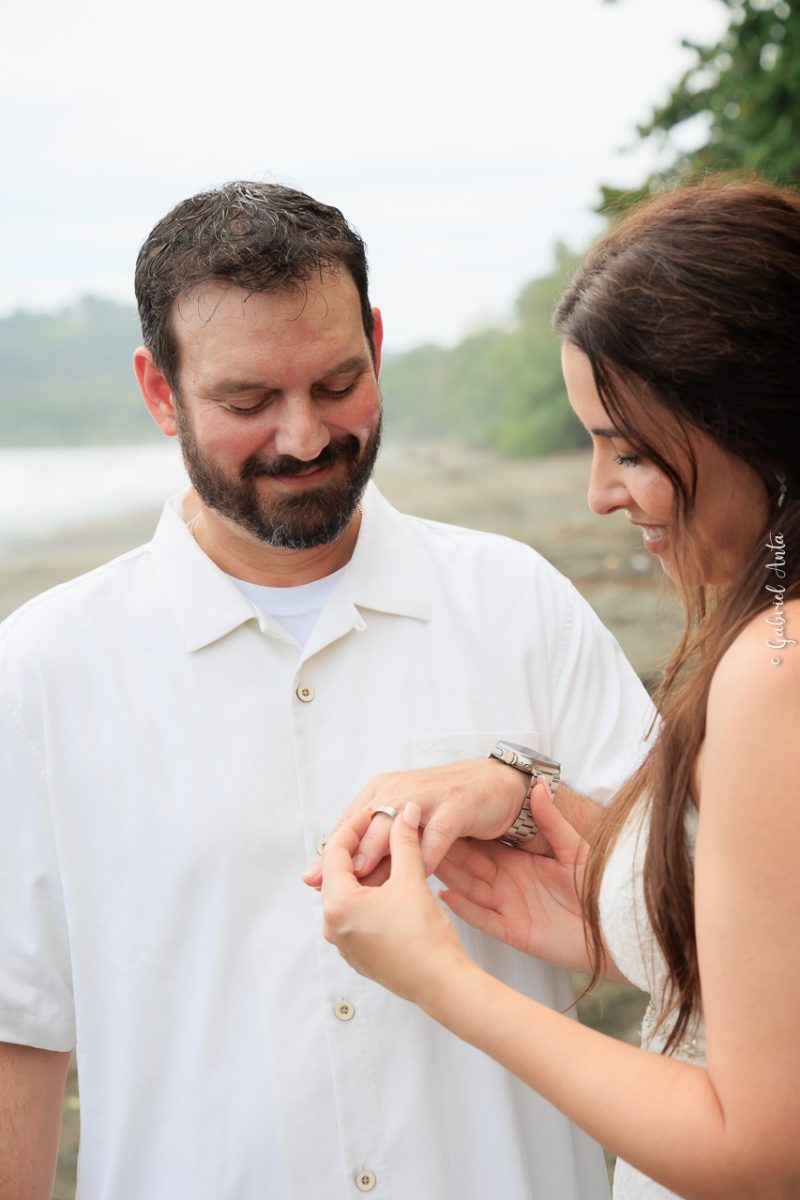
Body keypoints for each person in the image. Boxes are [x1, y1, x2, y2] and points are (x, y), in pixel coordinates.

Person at [0, 181, 653, 1200]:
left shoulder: (518, 600)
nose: (303, 438)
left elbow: (705, 922)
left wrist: (524, 797)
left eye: (337, 383)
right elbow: (19, 1030)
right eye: (247, 402)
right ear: (160, 391)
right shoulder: (40, 669)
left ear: (377, 347)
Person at [319, 178, 800, 1199]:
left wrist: (438, 979)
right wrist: (604, 906)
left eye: (629, 449)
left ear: (757, 424)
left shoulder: (776, 666)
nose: (597, 492)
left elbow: (759, 1152)